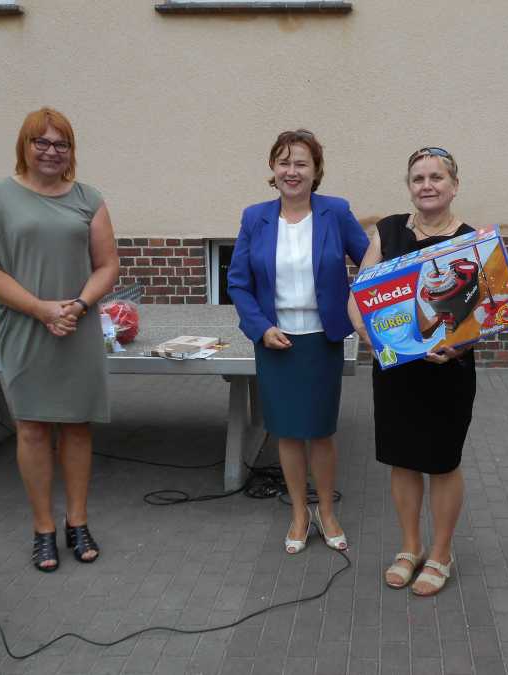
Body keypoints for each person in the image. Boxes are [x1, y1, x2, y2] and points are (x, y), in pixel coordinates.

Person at [0, 107, 119, 572]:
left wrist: (77, 306)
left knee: (77, 425)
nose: (52, 151)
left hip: (77, 324)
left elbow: (108, 265)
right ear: (25, 145)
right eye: (43, 142)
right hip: (24, 326)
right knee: (32, 427)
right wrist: (40, 309)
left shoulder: (88, 198)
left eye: (62, 144)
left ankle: (78, 522)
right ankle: (42, 528)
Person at [227, 129, 369, 555]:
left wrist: (366, 307)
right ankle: (298, 514)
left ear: (316, 170)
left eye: (301, 163)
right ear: (273, 168)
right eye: (284, 162)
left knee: (321, 432)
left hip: (321, 340)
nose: (292, 171)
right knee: (287, 433)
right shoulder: (255, 218)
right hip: (275, 341)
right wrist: (260, 328)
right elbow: (238, 283)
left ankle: (326, 510)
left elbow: (371, 264)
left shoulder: (335, 212)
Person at [348, 147, 475, 596]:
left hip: (448, 371)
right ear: (409, 186)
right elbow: (360, 294)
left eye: (436, 177)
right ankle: (410, 547)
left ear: (454, 186)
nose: (427, 185)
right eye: (418, 178)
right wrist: (370, 334)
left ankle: (441, 552)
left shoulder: (471, 242)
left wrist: (460, 345)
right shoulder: (387, 231)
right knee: (401, 459)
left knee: (442, 462)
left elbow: (485, 312)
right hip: (397, 369)